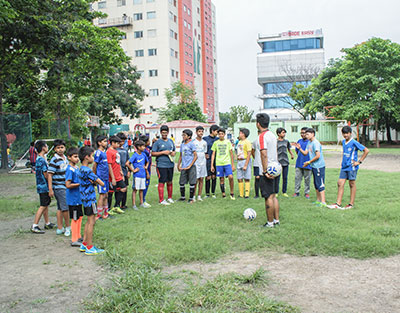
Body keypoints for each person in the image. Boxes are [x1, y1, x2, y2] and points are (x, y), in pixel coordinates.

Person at [328, 126, 369, 210]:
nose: (345, 135)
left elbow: (366, 150)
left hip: (352, 167)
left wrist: (359, 161)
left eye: (347, 133)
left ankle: (351, 204)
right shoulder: (343, 142)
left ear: (350, 133)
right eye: (344, 133)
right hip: (344, 166)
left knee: (351, 184)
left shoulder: (354, 142)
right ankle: (337, 203)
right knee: (340, 183)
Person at [77, 146, 105, 255]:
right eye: (92, 156)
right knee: (91, 222)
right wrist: (96, 182)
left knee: (89, 221)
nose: (93, 158)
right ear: (86, 157)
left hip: (85, 198)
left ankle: (84, 243)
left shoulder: (81, 169)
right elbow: (101, 182)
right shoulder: (87, 170)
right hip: (90, 199)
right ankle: (89, 246)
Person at [256, 113, 280, 228]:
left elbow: (264, 154)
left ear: (258, 124)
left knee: (268, 197)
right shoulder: (272, 135)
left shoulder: (262, 136)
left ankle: (270, 223)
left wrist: (265, 171)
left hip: (268, 170)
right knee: (274, 196)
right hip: (276, 169)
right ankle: (276, 220)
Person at [295, 128, 327, 207]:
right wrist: (300, 149)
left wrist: (309, 162)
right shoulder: (309, 143)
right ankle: (318, 200)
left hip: (319, 166)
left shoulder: (316, 143)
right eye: (305, 134)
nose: (306, 135)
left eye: (307, 134)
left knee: (320, 183)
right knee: (316, 183)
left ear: (312, 134)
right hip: (314, 166)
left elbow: (318, 156)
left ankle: (323, 202)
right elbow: (305, 153)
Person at [31, 141, 55, 233]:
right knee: (43, 205)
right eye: (46, 146)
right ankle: (35, 225)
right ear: (43, 148)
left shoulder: (41, 158)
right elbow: (46, 174)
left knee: (46, 204)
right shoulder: (41, 160)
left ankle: (47, 222)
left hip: (41, 186)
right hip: (44, 186)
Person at [48, 139, 71, 236]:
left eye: (62, 147)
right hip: (59, 187)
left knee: (60, 207)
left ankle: (59, 227)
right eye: (58, 148)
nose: (60, 150)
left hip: (65, 186)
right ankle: (67, 227)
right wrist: (50, 189)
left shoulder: (65, 158)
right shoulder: (54, 160)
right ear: (54, 149)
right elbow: (50, 174)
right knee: (65, 208)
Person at [152, 125, 176, 205]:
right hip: (161, 165)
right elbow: (152, 153)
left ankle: (169, 198)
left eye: (166, 133)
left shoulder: (170, 141)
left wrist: (173, 153)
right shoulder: (157, 142)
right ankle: (161, 200)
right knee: (162, 181)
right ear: (160, 133)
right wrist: (163, 152)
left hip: (170, 164)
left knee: (170, 181)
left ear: (168, 132)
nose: (164, 134)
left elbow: (174, 151)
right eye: (163, 133)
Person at [211, 128, 236, 200]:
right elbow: (213, 154)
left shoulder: (228, 142)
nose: (221, 135)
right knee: (221, 179)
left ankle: (232, 193)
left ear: (224, 134)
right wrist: (212, 165)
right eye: (219, 134)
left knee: (230, 177)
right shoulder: (216, 143)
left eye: (222, 134)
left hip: (227, 163)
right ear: (218, 135)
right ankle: (223, 194)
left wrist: (233, 164)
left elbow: (231, 153)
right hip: (219, 163)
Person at [65, 147, 83, 247]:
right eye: (75, 157)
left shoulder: (76, 168)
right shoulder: (69, 169)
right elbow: (67, 185)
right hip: (73, 199)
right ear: (69, 157)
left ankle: (78, 235)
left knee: (80, 217)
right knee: (75, 218)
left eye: (77, 157)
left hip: (78, 198)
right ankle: (74, 239)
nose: (77, 159)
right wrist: (79, 184)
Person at [126, 140, 150, 209]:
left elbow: (147, 162)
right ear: (139, 147)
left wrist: (146, 167)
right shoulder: (135, 155)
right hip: (137, 176)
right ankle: (134, 205)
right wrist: (133, 170)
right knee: (135, 189)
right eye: (143, 146)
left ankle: (141, 203)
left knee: (141, 189)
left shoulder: (144, 154)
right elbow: (127, 163)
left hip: (143, 175)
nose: (144, 147)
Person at [93, 135, 112, 219]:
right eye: (104, 141)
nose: (106, 142)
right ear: (99, 143)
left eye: (106, 141)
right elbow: (94, 165)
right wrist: (94, 177)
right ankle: (99, 215)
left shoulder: (104, 152)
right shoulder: (98, 153)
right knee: (102, 195)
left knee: (106, 195)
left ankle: (106, 213)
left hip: (106, 177)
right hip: (100, 177)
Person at [106, 136, 126, 214]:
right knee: (110, 192)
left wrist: (121, 172)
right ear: (112, 143)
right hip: (112, 176)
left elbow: (118, 162)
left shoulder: (115, 151)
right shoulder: (109, 152)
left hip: (118, 175)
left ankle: (116, 206)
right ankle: (108, 208)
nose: (118, 145)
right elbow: (109, 165)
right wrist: (113, 178)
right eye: (117, 143)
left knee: (123, 188)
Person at [177, 129, 198, 203]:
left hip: (191, 166)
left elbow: (195, 156)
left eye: (184, 135)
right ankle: (182, 197)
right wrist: (178, 165)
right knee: (181, 182)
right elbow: (180, 156)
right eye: (182, 135)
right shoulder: (182, 144)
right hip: (184, 166)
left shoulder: (191, 144)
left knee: (192, 183)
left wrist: (190, 165)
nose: (183, 136)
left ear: (189, 136)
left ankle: (191, 198)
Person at [293, 127, 312, 199]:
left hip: (308, 164)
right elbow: (297, 151)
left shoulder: (310, 142)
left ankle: (307, 193)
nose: (302, 134)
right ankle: (296, 192)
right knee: (297, 178)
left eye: (304, 133)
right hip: (299, 163)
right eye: (301, 133)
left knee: (307, 179)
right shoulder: (299, 141)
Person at [276, 128, 294, 197]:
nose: (284, 134)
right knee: (277, 178)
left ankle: (284, 192)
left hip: (285, 162)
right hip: (278, 162)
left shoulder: (286, 141)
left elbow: (289, 149)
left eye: (284, 133)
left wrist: (291, 154)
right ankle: (276, 192)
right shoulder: (276, 141)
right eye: (283, 133)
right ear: (278, 134)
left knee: (285, 177)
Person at [192, 126, 208, 201]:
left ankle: (199, 195)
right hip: (196, 163)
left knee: (201, 178)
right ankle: (193, 196)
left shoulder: (204, 142)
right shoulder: (193, 142)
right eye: (199, 131)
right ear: (196, 132)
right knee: (195, 179)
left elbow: (205, 152)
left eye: (202, 131)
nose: (201, 133)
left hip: (203, 162)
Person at [203, 124, 219, 198]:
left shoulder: (218, 139)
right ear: (212, 131)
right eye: (217, 131)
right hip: (208, 161)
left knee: (214, 176)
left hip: (216, 160)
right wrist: (205, 154)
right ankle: (207, 193)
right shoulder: (205, 139)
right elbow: (202, 148)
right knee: (208, 177)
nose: (217, 133)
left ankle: (213, 193)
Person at [236, 128, 252, 199]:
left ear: (243, 134)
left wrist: (246, 165)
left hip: (245, 160)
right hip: (239, 161)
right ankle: (241, 194)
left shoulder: (247, 142)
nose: (239, 134)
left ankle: (246, 194)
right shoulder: (239, 142)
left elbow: (249, 154)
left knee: (246, 178)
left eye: (240, 133)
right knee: (239, 178)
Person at [117, 132, 130, 210]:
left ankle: (123, 204)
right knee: (118, 189)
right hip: (117, 173)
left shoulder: (125, 150)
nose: (122, 143)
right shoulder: (114, 150)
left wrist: (129, 171)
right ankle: (117, 205)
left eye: (123, 141)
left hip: (125, 172)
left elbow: (128, 161)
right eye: (121, 141)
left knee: (125, 188)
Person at [140, 135, 152, 207]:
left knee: (146, 185)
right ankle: (143, 200)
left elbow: (151, 148)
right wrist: (147, 172)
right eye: (148, 140)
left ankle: (143, 199)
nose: (149, 142)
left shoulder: (147, 148)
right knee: (145, 185)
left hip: (149, 169)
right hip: (145, 170)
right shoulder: (144, 152)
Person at [251, 130, 262, 199]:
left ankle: (263, 193)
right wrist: (255, 158)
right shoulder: (255, 141)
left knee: (263, 178)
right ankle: (257, 194)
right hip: (257, 163)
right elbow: (252, 151)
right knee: (257, 177)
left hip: (264, 163)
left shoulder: (266, 140)